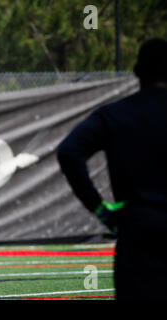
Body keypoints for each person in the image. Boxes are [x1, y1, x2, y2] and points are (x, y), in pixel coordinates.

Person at [57, 38, 167, 300]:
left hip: (137, 232)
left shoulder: (115, 114)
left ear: (138, 72)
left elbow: (69, 152)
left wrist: (99, 208)